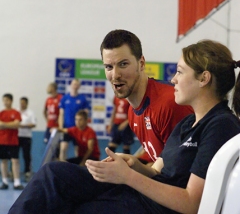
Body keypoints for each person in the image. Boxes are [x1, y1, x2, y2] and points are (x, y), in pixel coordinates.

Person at [9, 38, 240, 214]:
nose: (173, 79)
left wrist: (128, 177)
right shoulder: (189, 123)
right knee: (54, 173)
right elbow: (157, 170)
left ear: (204, 78)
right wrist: (131, 164)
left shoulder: (220, 126)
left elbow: (192, 203)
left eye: (180, 72)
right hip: (143, 193)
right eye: (109, 66)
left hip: (153, 204)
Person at [58, 79, 90, 161]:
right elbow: (61, 114)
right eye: (74, 84)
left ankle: (78, 169)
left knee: (78, 150)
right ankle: (62, 167)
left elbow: (85, 114)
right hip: (67, 128)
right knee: (63, 148)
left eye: (77, 84)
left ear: (79, 86)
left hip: (78, 129)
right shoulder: (65, 98)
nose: (75, 86)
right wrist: (61, 127)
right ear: (71, 85)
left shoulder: (82, 99)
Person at [0, 94, 24, 190]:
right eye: (4, 100)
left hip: (13, 141)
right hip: (2, 141)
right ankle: (4, 181)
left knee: (15, 160)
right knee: (4, 161)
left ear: (11, 101)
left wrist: (4, 124)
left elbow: (17, 124)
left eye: (7, 100)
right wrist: (11, 124)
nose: (6, 102)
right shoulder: (1, 113)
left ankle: (17, 182)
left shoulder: (16, 112)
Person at [18, 97, 36, 181]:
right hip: (17, 136)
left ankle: (27, 172)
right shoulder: (17, 112)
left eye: (23, 103)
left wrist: (23, 125)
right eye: (21, 102)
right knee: (15, 156)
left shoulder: (30, 113)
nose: (22, 104)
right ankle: (13, 172)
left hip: (26, 137)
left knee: (26, 155)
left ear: (26, 103)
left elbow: (33, 124)